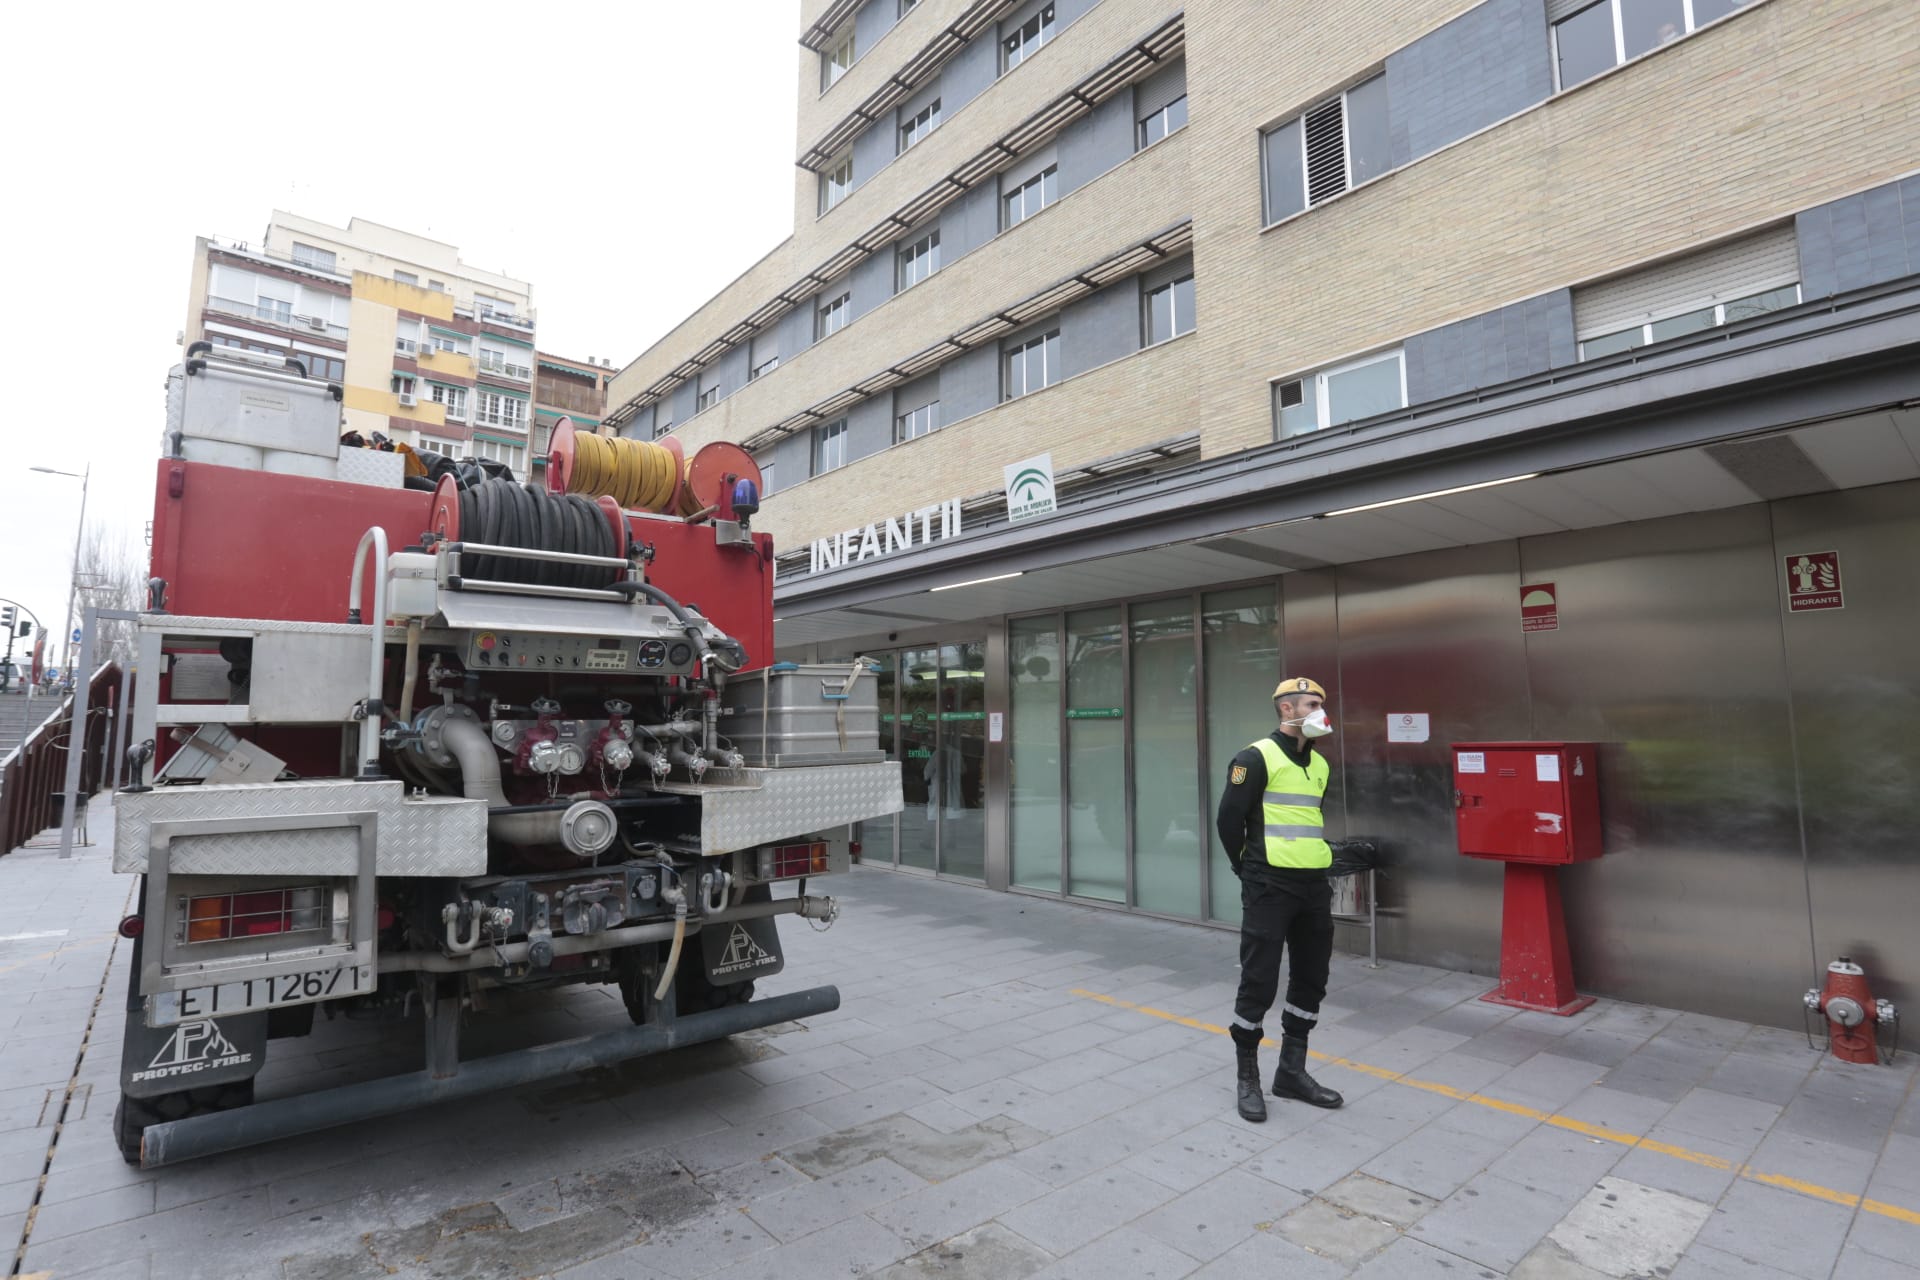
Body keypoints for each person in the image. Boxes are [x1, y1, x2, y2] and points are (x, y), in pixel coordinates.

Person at [1216, 676, 1343, 1122]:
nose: (1320, 711)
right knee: (1259, 981)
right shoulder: (1254, 758)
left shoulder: (1321, 764)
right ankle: (1247, 1077)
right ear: (1286, 710)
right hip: (1269, 885)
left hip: (1312, 886)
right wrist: (1246, 871)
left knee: (1312, 979)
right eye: (1311, 703)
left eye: (1321, 704)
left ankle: (1291, 1072)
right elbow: (1229, 822)